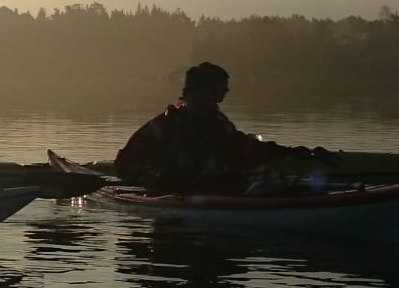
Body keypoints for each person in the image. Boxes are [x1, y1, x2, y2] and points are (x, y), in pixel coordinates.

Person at [114, 62, 302, 192]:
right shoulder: (165, 125)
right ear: (207, 90)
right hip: (175, 193)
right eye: (222, 87)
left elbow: (243, 146)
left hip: (214, 187)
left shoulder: (218, 123)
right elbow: (125, 163)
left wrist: (289, 152)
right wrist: (154, 179)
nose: (227, 91)